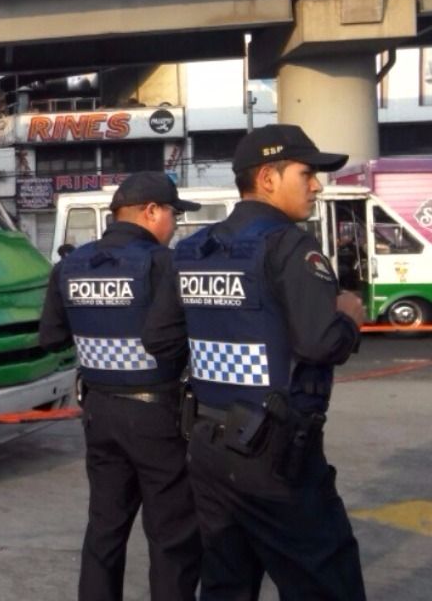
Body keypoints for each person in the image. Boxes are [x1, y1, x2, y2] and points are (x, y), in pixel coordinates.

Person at [146, 124, 367, 600]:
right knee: (327, 581)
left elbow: (159, 340)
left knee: (227, 583)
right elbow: (319, 343)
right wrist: (349, 317)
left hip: (208, 447)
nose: (317, 185)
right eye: (307, 173)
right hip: (277, 457)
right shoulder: (290, 246)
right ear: (268, 178)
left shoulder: (192, 250)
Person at [40, 171, 203, 601]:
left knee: (105, 530)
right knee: (171, 535)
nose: (175, 225)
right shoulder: (163, 265)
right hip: (159, 417)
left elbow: (53, 337)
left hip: (99, 414)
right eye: (173, 213)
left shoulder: (69, 265)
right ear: (151, 212)